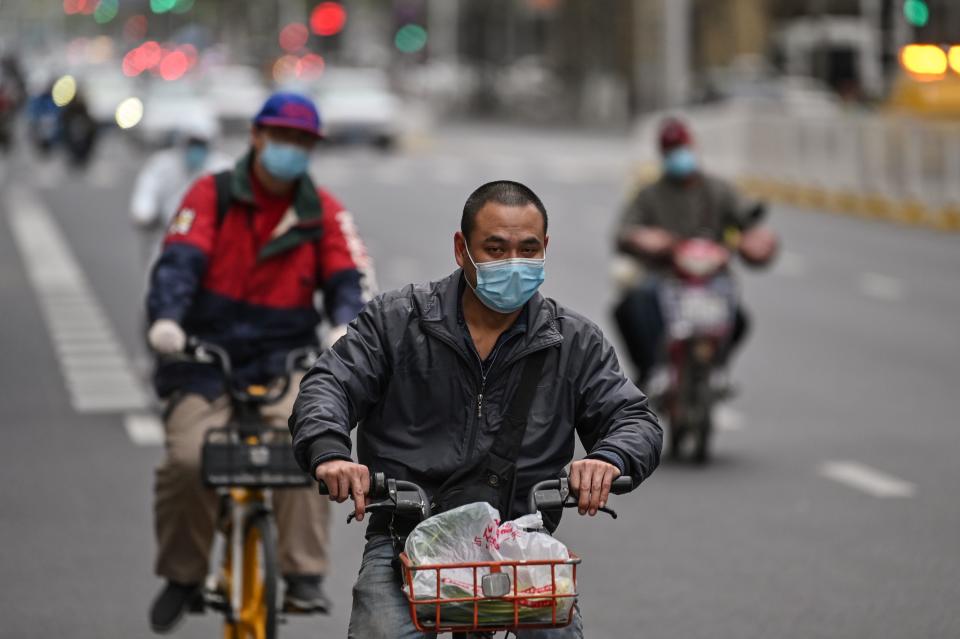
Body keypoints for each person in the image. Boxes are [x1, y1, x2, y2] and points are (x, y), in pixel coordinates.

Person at [290, 180, 663, 638]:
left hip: (518, 544)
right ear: (461, 249)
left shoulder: (574, 340)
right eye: (495, 248)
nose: (513, 263)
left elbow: (634, 418)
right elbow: (329, 384)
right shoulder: (395, 321)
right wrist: (330, 453)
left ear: (545, 248)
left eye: (528, 249)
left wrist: (608, 460)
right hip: (406, 537)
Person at [145, 91, 375, 633]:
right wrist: (167, 320)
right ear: (256, 136)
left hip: (284, 356)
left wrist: (347, 323)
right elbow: (177, 263)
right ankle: (183, 574)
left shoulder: (324, 211)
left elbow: (351, 279)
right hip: (202, 357)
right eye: (282, 137)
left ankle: (303, 572)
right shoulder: (210, 195)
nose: (291, 149)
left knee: (316, 448)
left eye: (303, 141)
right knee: (187, 460)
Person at [613, 117, 778, 386]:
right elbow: (624, 232)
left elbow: (750, 224)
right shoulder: (649, 195)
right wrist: (644, 239)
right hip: (666, 274)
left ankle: (716, 368)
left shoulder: (719, 190)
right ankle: (653, 370)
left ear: (693, 146)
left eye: (682, 147)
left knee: (739, 318)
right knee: (633, 304)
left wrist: (758, 243)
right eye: (671, 150)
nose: (678, 155)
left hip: (709, 278)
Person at [129, 112, 232, 268]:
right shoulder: (162, 165)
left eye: (201, 143)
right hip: (168, 240)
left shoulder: (222, 168)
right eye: (192, 143)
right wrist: (144, 213)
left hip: (211, 245)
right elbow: (146, 192)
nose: (196, 149)